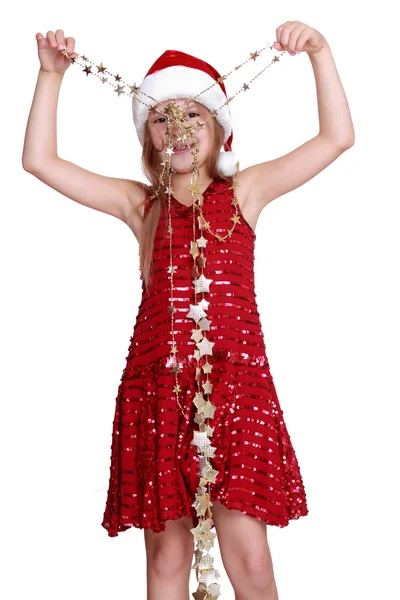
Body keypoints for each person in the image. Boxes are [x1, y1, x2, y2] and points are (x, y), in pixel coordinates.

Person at [22, 22, 354, 600]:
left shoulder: (244, 192)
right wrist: (51, 76)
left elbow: (336, 138)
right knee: (165, 559)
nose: (178, 127)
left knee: (248, 553)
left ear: (221, 128)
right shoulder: (139, 205)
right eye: (161, 118)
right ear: (147, 138)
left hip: (234, 388)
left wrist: (320, 54)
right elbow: (40, 161)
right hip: (157, 391)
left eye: (194, 114)